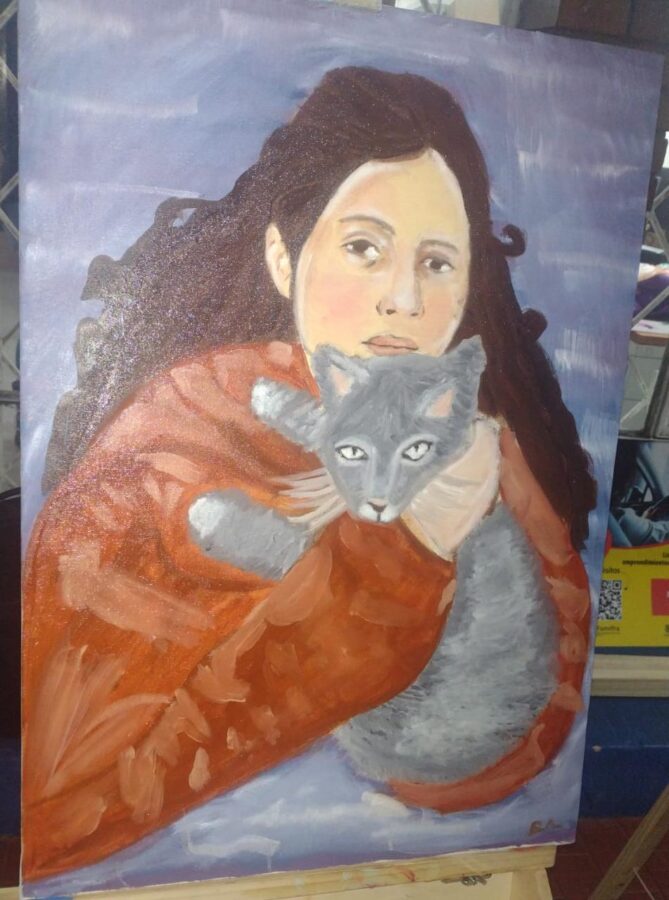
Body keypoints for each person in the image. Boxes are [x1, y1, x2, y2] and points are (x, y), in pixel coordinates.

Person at [22, 66, 595, 881]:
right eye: (364, 248)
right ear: (283, 259)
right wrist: (399, 561)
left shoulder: (482, 447)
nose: (403, 299)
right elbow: (77, 793)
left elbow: (531, 712)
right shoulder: (169, 451)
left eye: (437, 262)